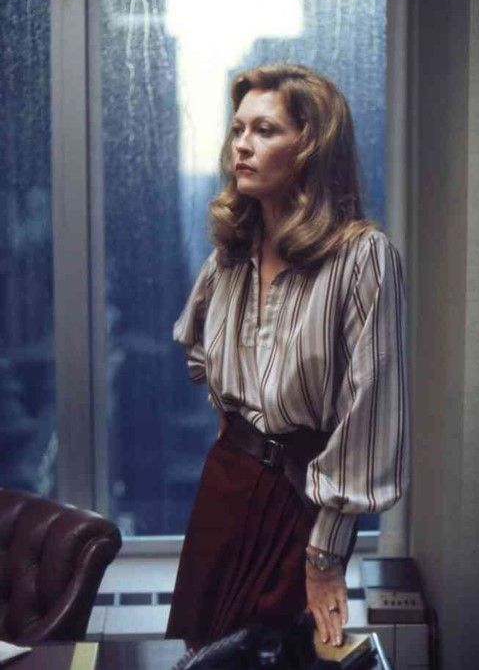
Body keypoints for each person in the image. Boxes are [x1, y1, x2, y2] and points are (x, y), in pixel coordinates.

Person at [166, 64, 409, 652]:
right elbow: (198, 350)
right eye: (237, 129)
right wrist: (239, 417)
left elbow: (369, 415)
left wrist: (326, 557)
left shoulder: (364, 257)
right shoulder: (232, 250)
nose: (242, 145)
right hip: (225, 486)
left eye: (265, 130)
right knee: (207, 655)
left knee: (281, 655)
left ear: (310, 147)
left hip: (299, 503)